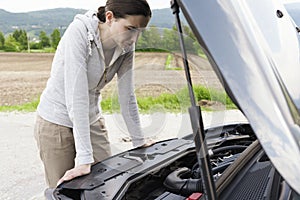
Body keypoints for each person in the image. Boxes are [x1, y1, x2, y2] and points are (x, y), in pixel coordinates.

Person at [34, 0, 152, 189]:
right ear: (110, 18)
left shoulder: (127, 46)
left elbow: (127, 96)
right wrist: (83, 158)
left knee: (109, 186)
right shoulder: (79, 32)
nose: (134, 38)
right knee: (64, 191)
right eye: (130, 29)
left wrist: (139, 141)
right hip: (56, 121)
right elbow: (77, 97)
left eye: (140, 32)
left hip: (91, 118)